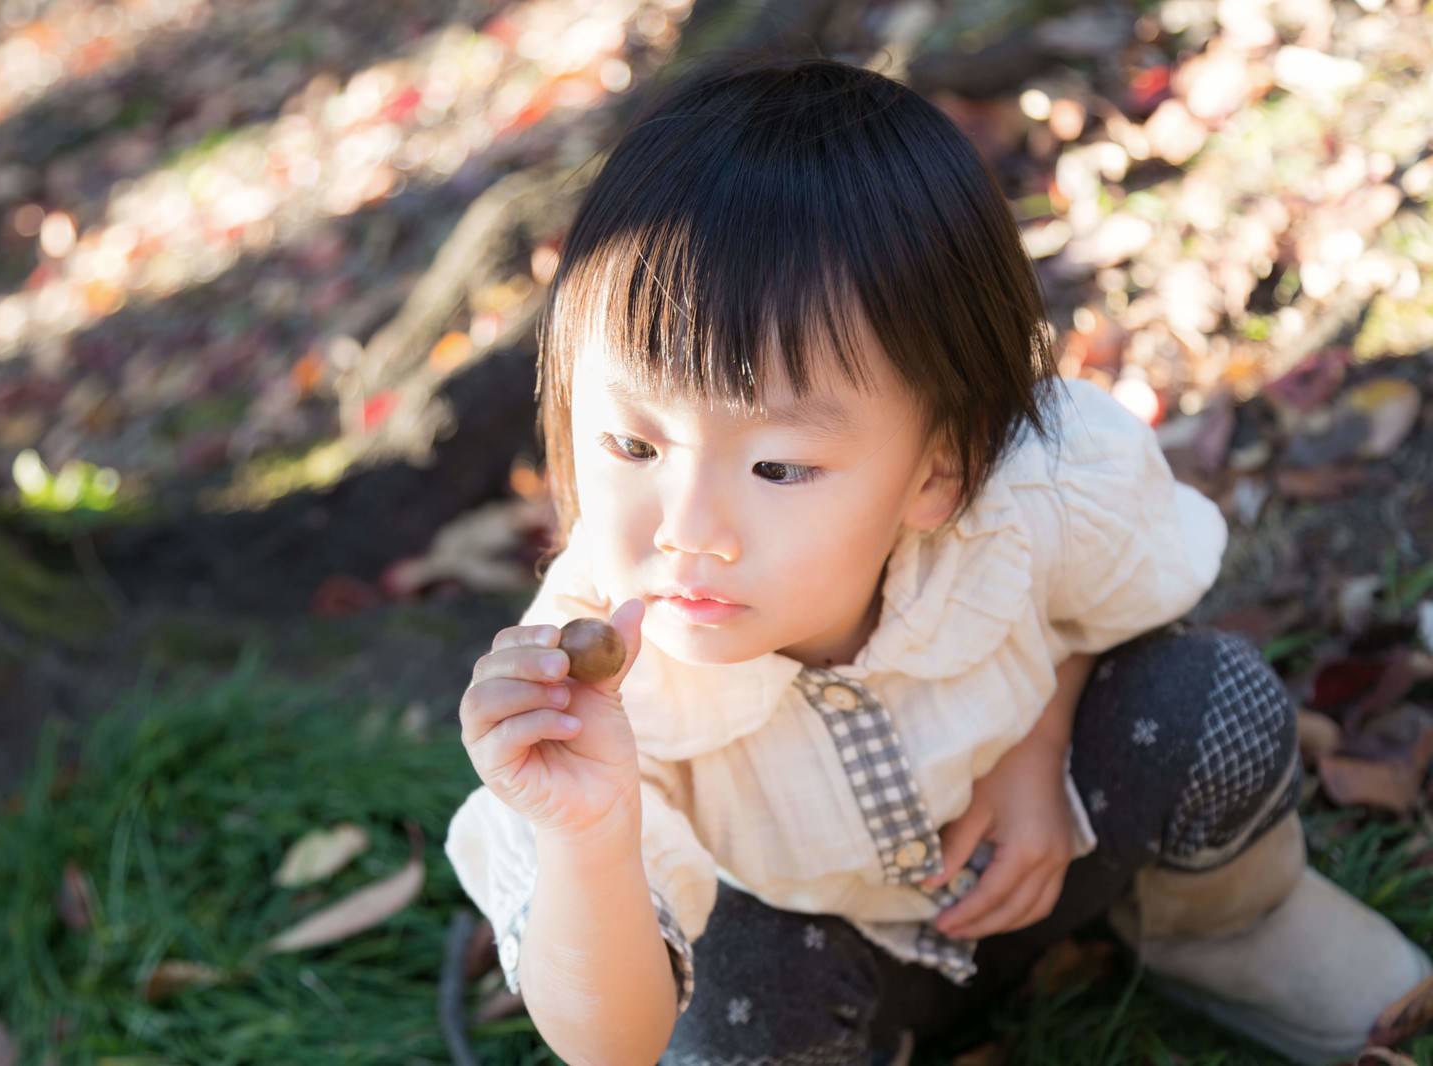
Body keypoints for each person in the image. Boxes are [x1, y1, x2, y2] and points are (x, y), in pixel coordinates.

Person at [445, 52, 1431, 1065]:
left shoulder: (1029, 493)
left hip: (1056, 846)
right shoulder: (597, 703)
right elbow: (616, 1045)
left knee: (1208, 696)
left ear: (939, 468)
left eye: (779, 465)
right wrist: (586, 833)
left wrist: (1038, 745)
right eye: (634, 446)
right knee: (734, 1025)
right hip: (828, 964)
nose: (687, 525)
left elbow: (1117, 608)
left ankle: (1227, 927)